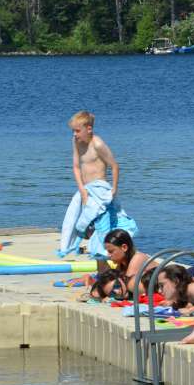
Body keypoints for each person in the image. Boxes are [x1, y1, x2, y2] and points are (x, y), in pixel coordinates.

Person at [59, 111, 136, 271]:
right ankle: (103, 274)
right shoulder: (76, 141)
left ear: (89, 129)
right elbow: (76, 166)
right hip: (86, 192)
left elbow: (115, 165)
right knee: (85, 229)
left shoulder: (98, 144)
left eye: (77, 130)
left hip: (101, 193)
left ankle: (115, 272)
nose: (74, 134)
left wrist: (114, 188)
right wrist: (82, 190)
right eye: (73, 131)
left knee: (103, 232)